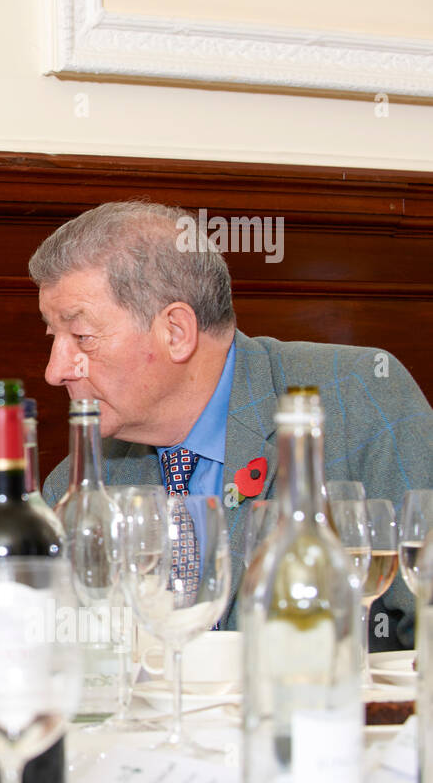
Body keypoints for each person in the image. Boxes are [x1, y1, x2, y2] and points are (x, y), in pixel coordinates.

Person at [33, 201, 433, 649]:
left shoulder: (358, 397)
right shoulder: (78, 489)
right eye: (54, 336)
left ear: (177, 331)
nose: (55, 370)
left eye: (82, 336)